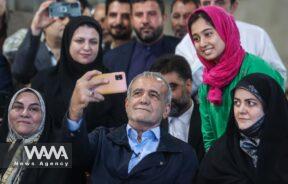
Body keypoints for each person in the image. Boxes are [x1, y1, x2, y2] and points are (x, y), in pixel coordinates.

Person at [65, 71, 198, 183]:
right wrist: (75, 111)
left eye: (153, 95)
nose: (144, 100)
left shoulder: (184, 154)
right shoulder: (101, 139)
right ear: (127, 104)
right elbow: (61, 159)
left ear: (166, 110)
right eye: (137, 93)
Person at [187, 6, 284, 150]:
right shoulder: (208, 82)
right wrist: (216, 165)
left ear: (225, 30)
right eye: (196, 38)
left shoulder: (255, 69)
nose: (202, 43)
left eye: (208, 34)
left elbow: (274, 122)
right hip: (224, 164)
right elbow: (209, 137)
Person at [31, 16, 126, 131]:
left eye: (93, 42)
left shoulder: (110, 82)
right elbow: (38, 132)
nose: (87, 47)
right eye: (79, 41)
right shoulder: (44, 80)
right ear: (67, 42)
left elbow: (119, 131)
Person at [176, 0, 287, 94]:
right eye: (206, 3)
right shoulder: (186, 45)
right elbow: (181, 91)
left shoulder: (257, 36)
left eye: (219, 2)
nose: (212, 8)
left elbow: (279, 79)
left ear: (233, 7)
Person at [196, 73, 288, 184]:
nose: (241, 110)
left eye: (250, 103)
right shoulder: (221, 153)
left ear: (269, 107)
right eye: (236, 103)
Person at [0, 87, 68, 184]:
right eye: (18, 107)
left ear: (44, 116)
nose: (24, 114)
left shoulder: (56, 154)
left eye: (34, 109)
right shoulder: (4, 141)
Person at [104, 0, 180, 84]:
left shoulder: (181, 49)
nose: (145, 21)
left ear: (164, 17)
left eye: (151, 14)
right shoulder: (112, 58)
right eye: (139, 15)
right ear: (132, 19)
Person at [150, 54, 204, 161]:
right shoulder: (148, 123)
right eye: (158, 91)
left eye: (171, 87)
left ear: (188, 85)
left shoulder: (209, 120)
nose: (165, 97)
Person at [11, 0, 69, 85]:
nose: (67, 21)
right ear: (45, 23)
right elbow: (20, 72)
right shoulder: (32, 52)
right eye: (61, 17)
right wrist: (36, 28)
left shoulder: (79, 51)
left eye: (69, 17)